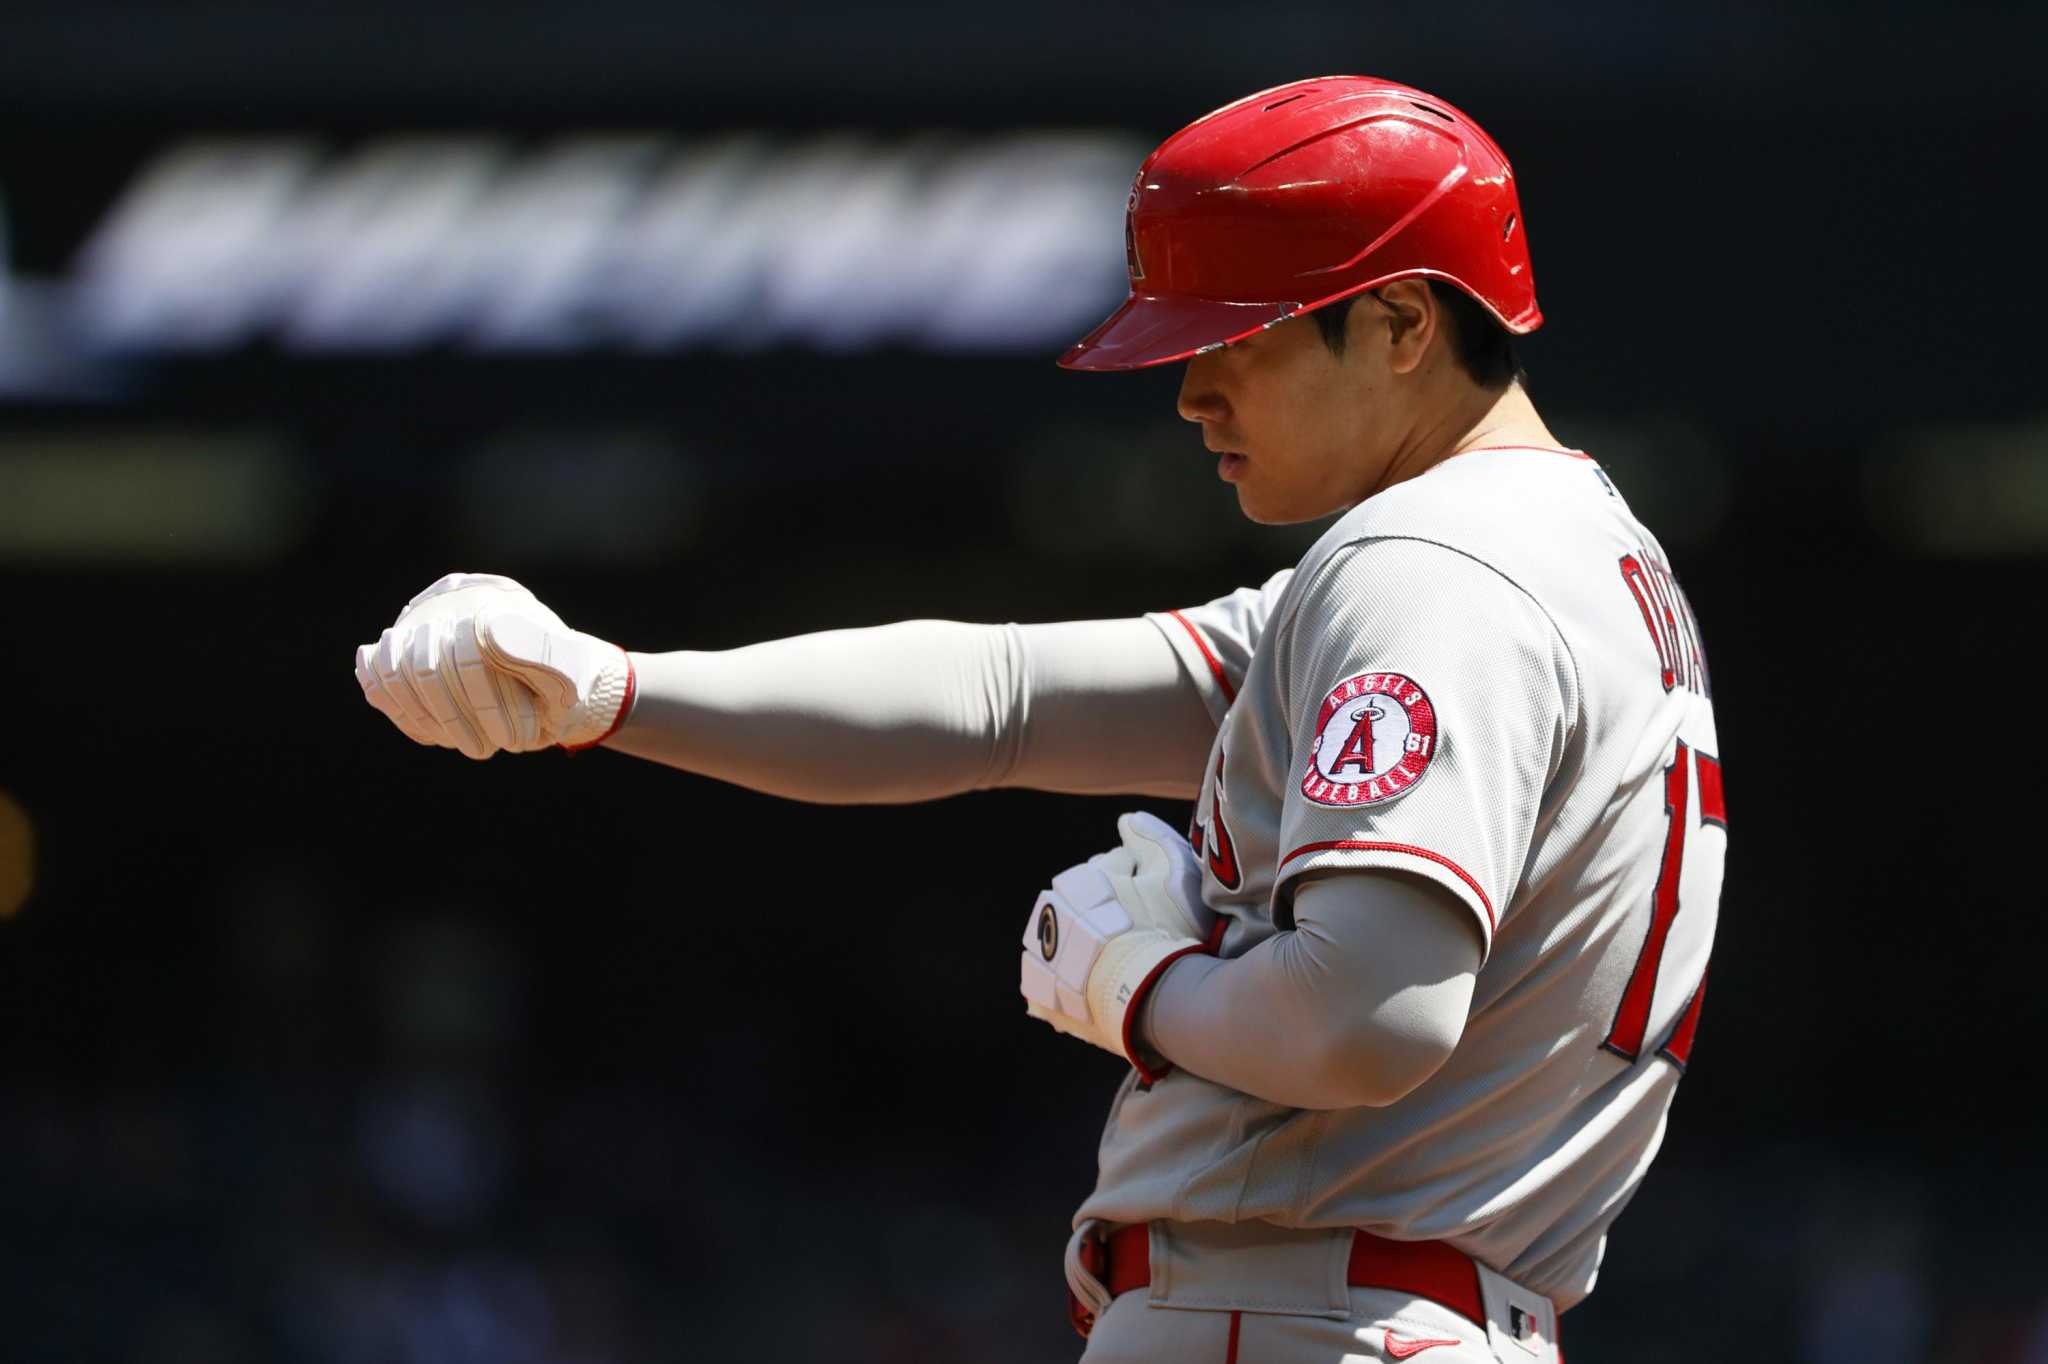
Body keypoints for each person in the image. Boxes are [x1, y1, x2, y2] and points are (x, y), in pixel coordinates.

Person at [354, 75, 1724, 1364]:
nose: (1190, 393)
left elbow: (1364, 1022)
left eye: (1235, 341)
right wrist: (612, 689)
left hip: (1309, 1318)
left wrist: (1135, 985)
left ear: (1404, 325)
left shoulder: (1433, 570)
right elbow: (1000, 701)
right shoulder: (1557, 559)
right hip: (1387, 1310)